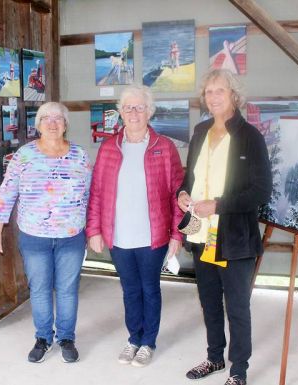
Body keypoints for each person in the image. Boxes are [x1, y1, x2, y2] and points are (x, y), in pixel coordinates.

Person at [177, 69, 271, 385]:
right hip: (201, 234)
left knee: (237, 308)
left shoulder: (250, 136)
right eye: (209, 92)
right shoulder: (201, 131)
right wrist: (182, 194)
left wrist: (217, 205)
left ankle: (238, 370)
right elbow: (188, 177)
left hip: (234, 238)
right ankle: (214, 358)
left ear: (234, 95)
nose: (214, 97)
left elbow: (261, 191)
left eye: (220, 90)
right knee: (209, 302)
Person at [86, 84, 184, 367]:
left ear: (149, 111)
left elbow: (178, 194)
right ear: (120, 113)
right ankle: (133, 338)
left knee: (150, 288)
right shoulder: (108, 148)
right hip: (118, 236)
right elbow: (97, 193)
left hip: (152, 236)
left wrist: (177, 234)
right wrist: (93, 230)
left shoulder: (164, 147)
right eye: (128, 107)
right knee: (130, 290)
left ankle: (148, 342)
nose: (133, 112)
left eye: (139, 107)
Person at [0, 102, 92, 364]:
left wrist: (93, 230)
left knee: (68, 289)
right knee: (40, 290)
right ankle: (43, 338)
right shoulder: (24, 155)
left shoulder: (80, 155)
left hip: (71, 236)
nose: (52, 122)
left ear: (65, 124)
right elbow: (7, 193)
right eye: (46, 118)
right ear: (38, 124)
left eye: (58, 118)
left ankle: (66, 338)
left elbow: (91, 195)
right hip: (35, 236)